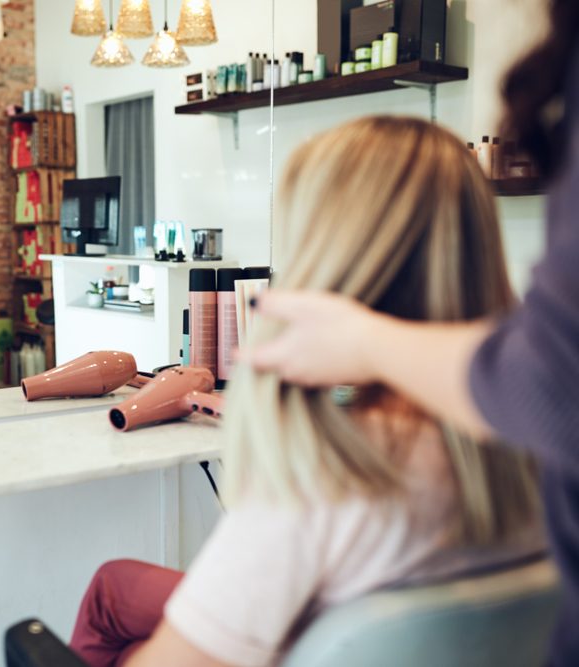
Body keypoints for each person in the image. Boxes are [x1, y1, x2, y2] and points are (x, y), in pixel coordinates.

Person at [68, 117, 545, 667]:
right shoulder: (539, 434)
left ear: (328, 257)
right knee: (118, 586)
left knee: (118, 622)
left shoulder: (330, 477)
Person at [248, 4, 579, 664]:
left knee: (116, 595)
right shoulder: (522, 467)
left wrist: (364, 344)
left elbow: (554, 379)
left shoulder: (327, 481)